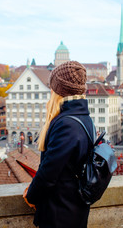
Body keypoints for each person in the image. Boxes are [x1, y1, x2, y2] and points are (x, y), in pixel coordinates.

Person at [24, 61, 94, 228]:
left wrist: (31, 195)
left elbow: (49, 172)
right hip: (73, 208)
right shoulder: (84, 118)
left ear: (58, 90)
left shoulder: (66, 124)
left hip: (61, 212)